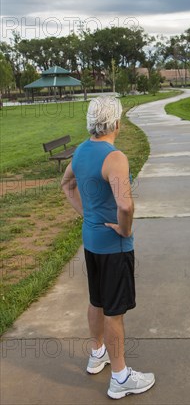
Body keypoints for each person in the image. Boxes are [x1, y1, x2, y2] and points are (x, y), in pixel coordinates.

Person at [61, 95, 155, 399]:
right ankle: (120, 377)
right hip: (114, 247)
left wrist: (86, 214)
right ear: (116, 122)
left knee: (97, 301)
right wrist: (125, 229)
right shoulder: (115, 157)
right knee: (115, 312)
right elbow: (125, 206)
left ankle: (97, 353)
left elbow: (66, 184)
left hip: (91, 242)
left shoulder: (81, 151)